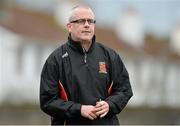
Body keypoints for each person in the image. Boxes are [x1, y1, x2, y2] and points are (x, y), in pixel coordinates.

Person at [40, 5, 133, 125]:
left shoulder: (110, 56)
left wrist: (110, 104)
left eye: (90, 21)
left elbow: (124, 90)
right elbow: (47, 101)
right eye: (81, 21)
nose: (87, 25)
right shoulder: (55, 59)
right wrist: (79, 109)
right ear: (69, 27)